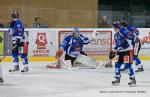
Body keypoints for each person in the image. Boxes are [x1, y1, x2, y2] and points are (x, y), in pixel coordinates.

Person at [110, 21, 136, 86]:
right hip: (120, 52)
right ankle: (117, 78)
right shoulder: (115, 35)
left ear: (116, 27)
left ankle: (132, 79)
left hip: (127, 51)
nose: (113, 28)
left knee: (127, 66)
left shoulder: (122, 30)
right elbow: (118, 44)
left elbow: (131, 37)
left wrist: (125, 43)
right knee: (117, 65)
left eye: (114, 27)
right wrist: (113, 51)